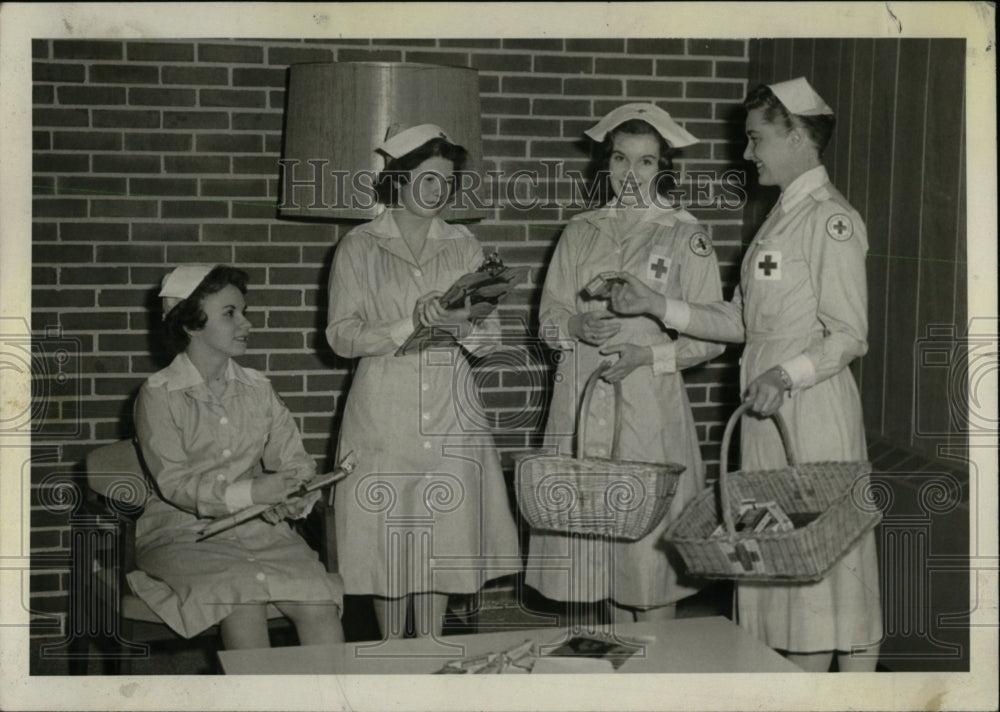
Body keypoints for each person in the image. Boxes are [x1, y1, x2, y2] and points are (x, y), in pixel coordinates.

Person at [606, 78, 882, 671]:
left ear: (799, 136)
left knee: (814, 573)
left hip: (811, 417)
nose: (747, 153)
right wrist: (656, 304)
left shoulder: (830, 220)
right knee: (775, 563)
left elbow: (850, 334)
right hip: (766, 418)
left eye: (756, 139)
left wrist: (785, 375)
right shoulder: (780, 216)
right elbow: (740, 319)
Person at [525, 104, 725, 622]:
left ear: (663, 169)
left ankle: (658, 680)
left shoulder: (685, 233)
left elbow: (713, 334)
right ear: (605, 164)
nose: (630, 174)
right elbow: (548, 314)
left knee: (648, 563)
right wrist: (573, 327)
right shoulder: (581, 230)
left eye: (645, 161)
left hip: (648, 411)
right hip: (582, 406)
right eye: (620, 159)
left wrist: (649, 356)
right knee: (601, 560)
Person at [326, 123, 521, 638]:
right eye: (427, 179)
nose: (438, 192)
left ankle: (432, 644)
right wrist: (408, 322)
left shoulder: (463, 243)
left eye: (446, 182)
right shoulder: (359, 246)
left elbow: (491, 337)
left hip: (452, 405)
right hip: (384, 408)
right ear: (399, 179)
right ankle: (391, 649)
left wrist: (458, 324)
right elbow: (341, 337)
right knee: (392, 544)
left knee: (440, 536)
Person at [129, 264, 345, 650]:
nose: (246, 323)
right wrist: (254, 493)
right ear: (192, 324)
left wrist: (293, 496)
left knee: (319, 601)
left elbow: (295, 461)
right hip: (185, 535)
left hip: (260, 531)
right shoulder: (158, 395)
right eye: (230, 313)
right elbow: (175, 484)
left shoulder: (258, 389)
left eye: (243, 311)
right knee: (242, 601)